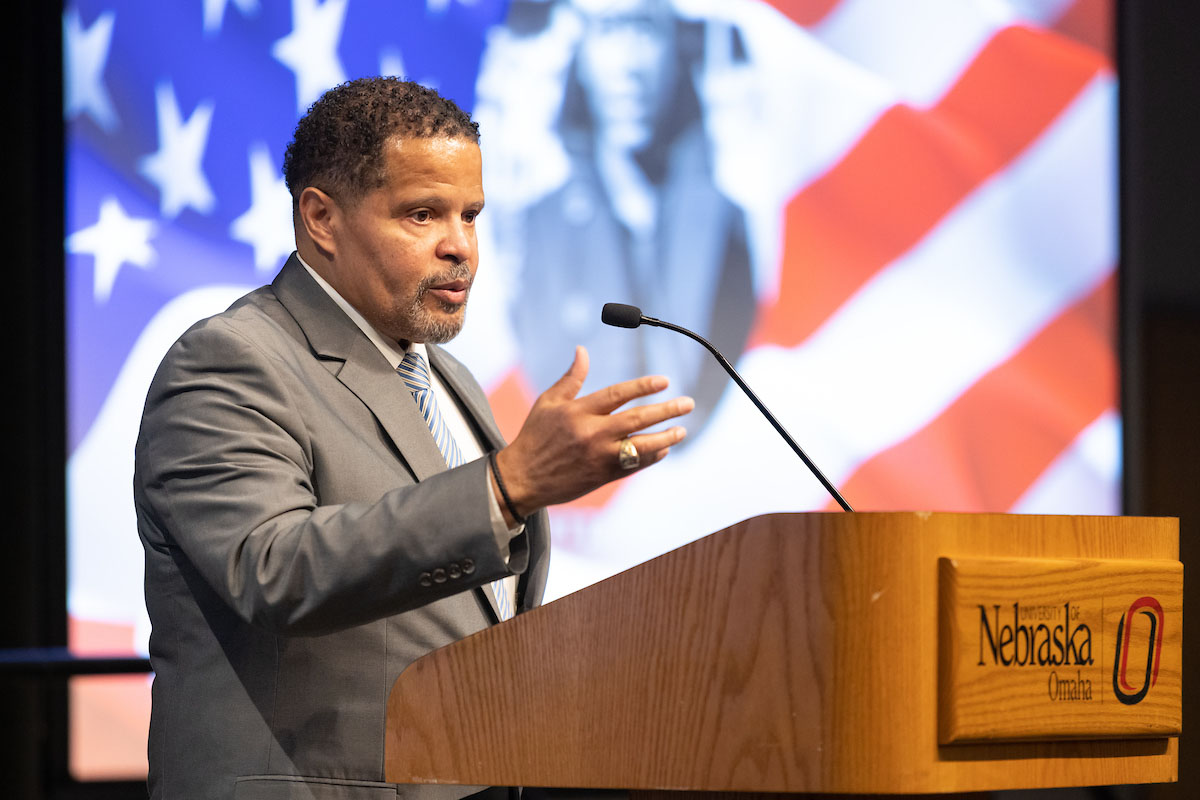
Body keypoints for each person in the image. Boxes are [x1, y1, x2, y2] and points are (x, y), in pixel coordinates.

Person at [133, 77, 693, 800]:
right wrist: (506, 486)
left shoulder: (447, 378)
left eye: (471, 216)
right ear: (322, 219)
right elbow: (274, 570)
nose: (460, 248)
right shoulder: (232, 361)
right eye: (423, 214)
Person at [509, 0, 755, 437]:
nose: (628, 64)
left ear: (677, 50)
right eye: (607, 30)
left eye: (644, 29)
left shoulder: (725, 214)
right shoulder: (542, 225)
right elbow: (549, 388)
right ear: (579, 58)